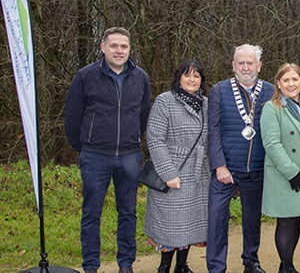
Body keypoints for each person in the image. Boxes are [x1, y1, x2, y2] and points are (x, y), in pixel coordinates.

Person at [64, 27, 151, 273]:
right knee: (92, 213)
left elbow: (144, 114)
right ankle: (91, 265)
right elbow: (72, 117)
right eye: (113, 46)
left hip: (129, 156)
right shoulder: (85, 76)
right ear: (103, 47)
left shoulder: (140, 77)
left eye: (124, 46)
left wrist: (134, 140)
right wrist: (84, 147)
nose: (119, 51)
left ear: (130, 49)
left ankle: (126, 264)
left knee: (128, 212)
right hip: (95, 156)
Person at [207, 45, 273, 273]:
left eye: (250, 63)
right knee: (216, 218)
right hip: (226, 169)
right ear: (233, 65)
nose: (246, 67)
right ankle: (216, 266)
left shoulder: (271, 91)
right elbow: (213, 130)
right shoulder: (218, 90)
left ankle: (251, 260)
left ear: (259, 66)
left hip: (256, 167)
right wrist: (219, 165)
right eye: (241, 63)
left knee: (252, 219)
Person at [144, 60, 210, 273]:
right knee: (171, 224)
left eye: (196, 76)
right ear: (179, 78)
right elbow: (154, 138)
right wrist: (168, 172)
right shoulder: (165, 101)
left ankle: (181, 265)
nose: (192, 80)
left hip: (199, 172)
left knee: (190, 223)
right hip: (173, 169)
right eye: (187, 75)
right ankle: (164, 267)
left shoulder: (207, 104)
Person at [260, 63, 300, 273]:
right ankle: (286, 267)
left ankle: (287, 264)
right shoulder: (272, 108)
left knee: (297, 219)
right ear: (278, 83)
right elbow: (271, 143)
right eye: (285, 80)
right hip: (284, 172)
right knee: (286, 221)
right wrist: (291, 171)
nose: (291, 84)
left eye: (295, 79)